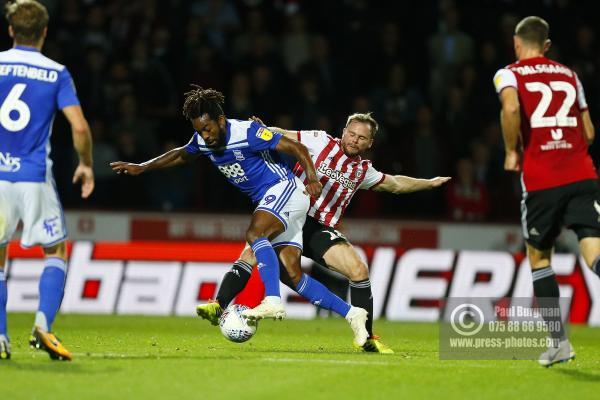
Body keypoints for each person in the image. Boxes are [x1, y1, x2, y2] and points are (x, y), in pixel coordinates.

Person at [110, 87, 370, 347]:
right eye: (200, 130)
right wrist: (143, 166)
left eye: (208, 128)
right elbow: (180, 154)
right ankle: (352, 313)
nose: (205, 135)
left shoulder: (247, 132)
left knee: (255, 234)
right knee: (292, 274)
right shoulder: (202, 140)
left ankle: (271, 301)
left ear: (220, 120)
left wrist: (312, 178)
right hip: (276, 200)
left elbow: (297, 147)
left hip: (285, 190)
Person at [196, 112, 450, 353]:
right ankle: (219, 305)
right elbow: (285, 134)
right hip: (290, 210)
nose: (354, 140)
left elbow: (395, 184)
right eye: (351, 134)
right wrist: (262, 130)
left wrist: (428, 183)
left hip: (318, 228)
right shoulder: (320, 140)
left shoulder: (363, 171)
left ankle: (367, 338)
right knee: (251, 255)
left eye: (361, 138)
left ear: (370, 143)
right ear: (343, 132)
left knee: (358, 271)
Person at [494, 16, 600, 367]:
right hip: (583, 174)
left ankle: (559, 343)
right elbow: (588, 132)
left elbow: (510, 107)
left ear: (516, 43)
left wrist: (512, 151)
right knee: (593, 252)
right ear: (548, 46)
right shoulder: (570, 75)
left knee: (540, 259)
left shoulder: (508, 74)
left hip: (543, 181)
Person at [0, 0, 94, 361]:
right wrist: (85, 164)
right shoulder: (56, 72)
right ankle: (43, 325)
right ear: (44, 32)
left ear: (11, 30)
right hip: (33, 175)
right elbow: (80, 126)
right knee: (55, 250)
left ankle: (1, 338)